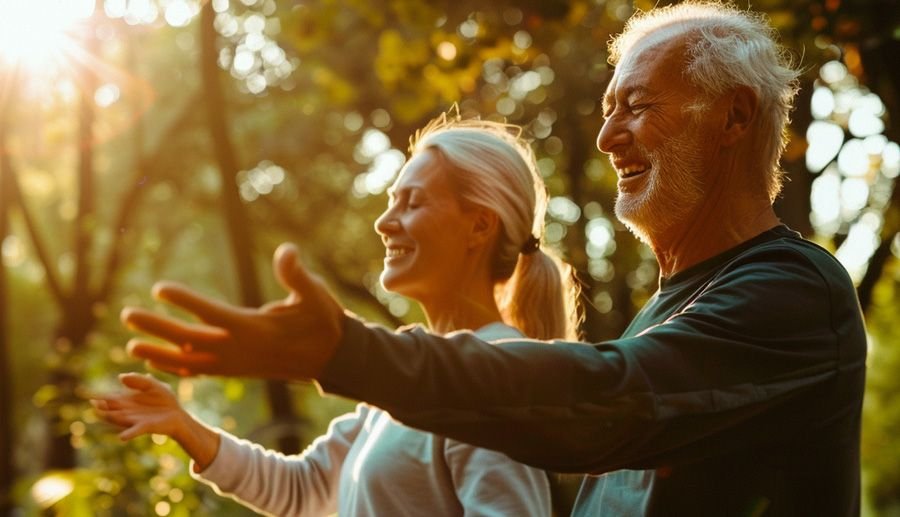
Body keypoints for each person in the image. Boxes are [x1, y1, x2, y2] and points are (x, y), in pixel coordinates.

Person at [118, 2, 867, 515]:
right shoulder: (666, 313)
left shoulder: (794, 292)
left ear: (734, 114)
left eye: (636, 107)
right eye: (606, 113)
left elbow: (611, 400)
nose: (607, 140)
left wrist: (349, 351)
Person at [93, 116, 584, 516]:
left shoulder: (495, 375)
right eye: (391, 201)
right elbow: (303, 489)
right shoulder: (402, 377)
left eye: (411, 203)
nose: (384, 222)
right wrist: (185, 426)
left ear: (479, 224)